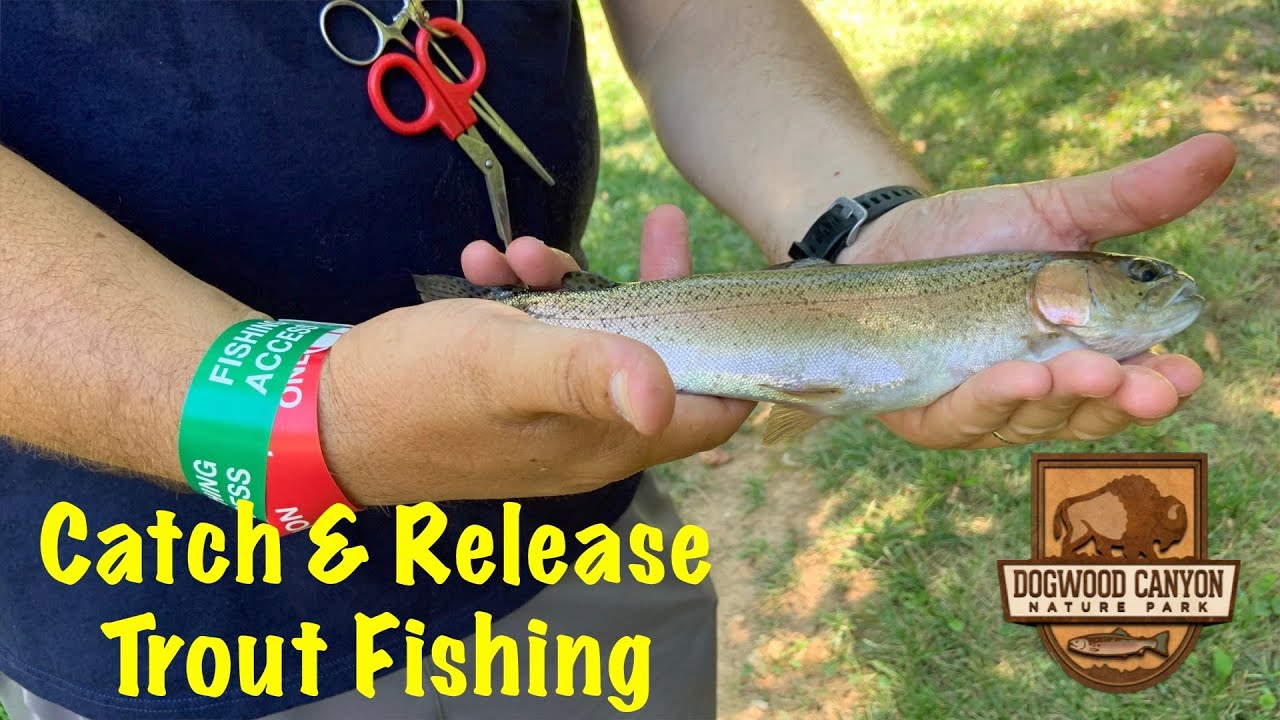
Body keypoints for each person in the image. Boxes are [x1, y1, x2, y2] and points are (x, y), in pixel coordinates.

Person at [0, 1, 1233, 718]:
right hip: (171, 632)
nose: (1149, 289)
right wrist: (295, 421)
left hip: (586, 533)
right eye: (1134, 277)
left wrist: (857, 221)